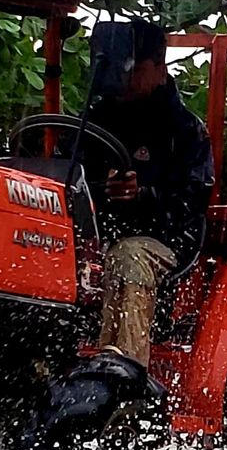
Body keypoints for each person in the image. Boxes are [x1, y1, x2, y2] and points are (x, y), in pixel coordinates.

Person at [82, 21, 215, 369]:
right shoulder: (93, 120)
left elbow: (191, 201)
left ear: (161, 68)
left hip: (166, 240)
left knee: (129, 255)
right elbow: (72, 173)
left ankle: (124, 374)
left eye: (135, 69)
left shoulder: (185, 131)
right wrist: (100, 191)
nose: (125, 77)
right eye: (118, 68)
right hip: (95, 234)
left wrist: (142, 196)